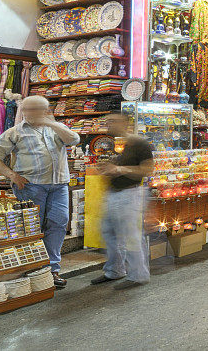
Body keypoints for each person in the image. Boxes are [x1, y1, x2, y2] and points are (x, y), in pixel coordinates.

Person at [0, 95, 80, 288]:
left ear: (46, 110)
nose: (34, 113)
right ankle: (33, 270)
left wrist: (52, 123)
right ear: (23, 111)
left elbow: (74, 139)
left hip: (59, 185)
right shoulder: (14, 133)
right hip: (31, 186)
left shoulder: (56, 130)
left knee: (59, 223)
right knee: (33, 228)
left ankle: (52, 270)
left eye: (39, 109)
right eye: (30, 109)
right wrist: (12, 175)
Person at [91, 112, 153, 289]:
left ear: (125, 123)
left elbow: (147, 169)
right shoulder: (115, 144)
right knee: (109, 232)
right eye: (108, 121)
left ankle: (138, 275)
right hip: (114, 193)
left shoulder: (139, 143)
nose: (109, 124)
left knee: (131, 235)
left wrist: (119, 169)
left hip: (130, 194)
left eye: (113, 121)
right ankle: (115, 270)